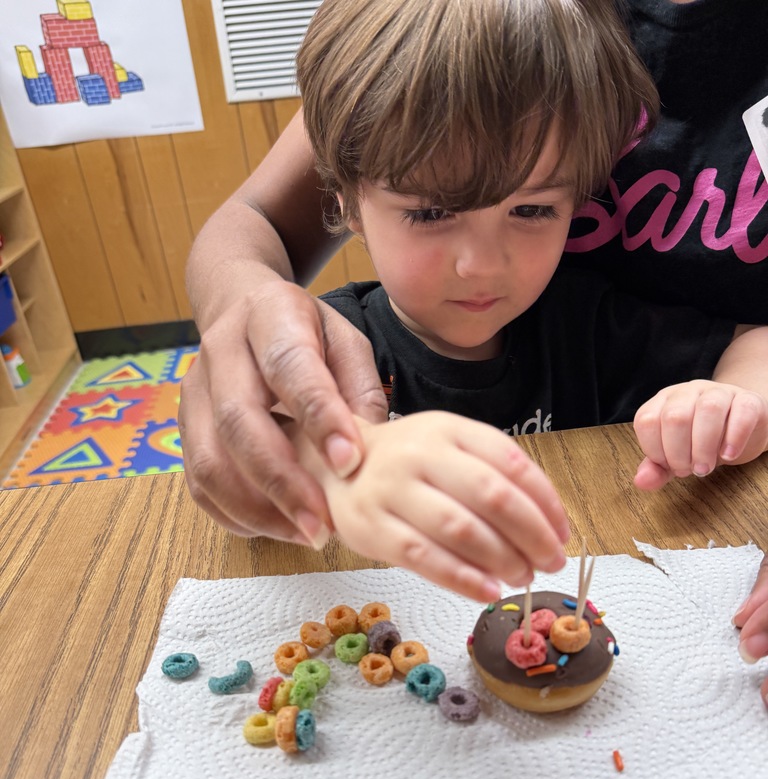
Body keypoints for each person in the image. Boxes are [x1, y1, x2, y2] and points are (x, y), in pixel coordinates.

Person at [181, 0, 768, 638]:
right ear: (347, 200)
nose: (482, 266)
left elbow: (753, 345)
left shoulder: (584, 325)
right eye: (432, 214)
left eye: (535, 210)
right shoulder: (340, 342)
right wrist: (333, 467)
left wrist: (731, 401)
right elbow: (264, 442)